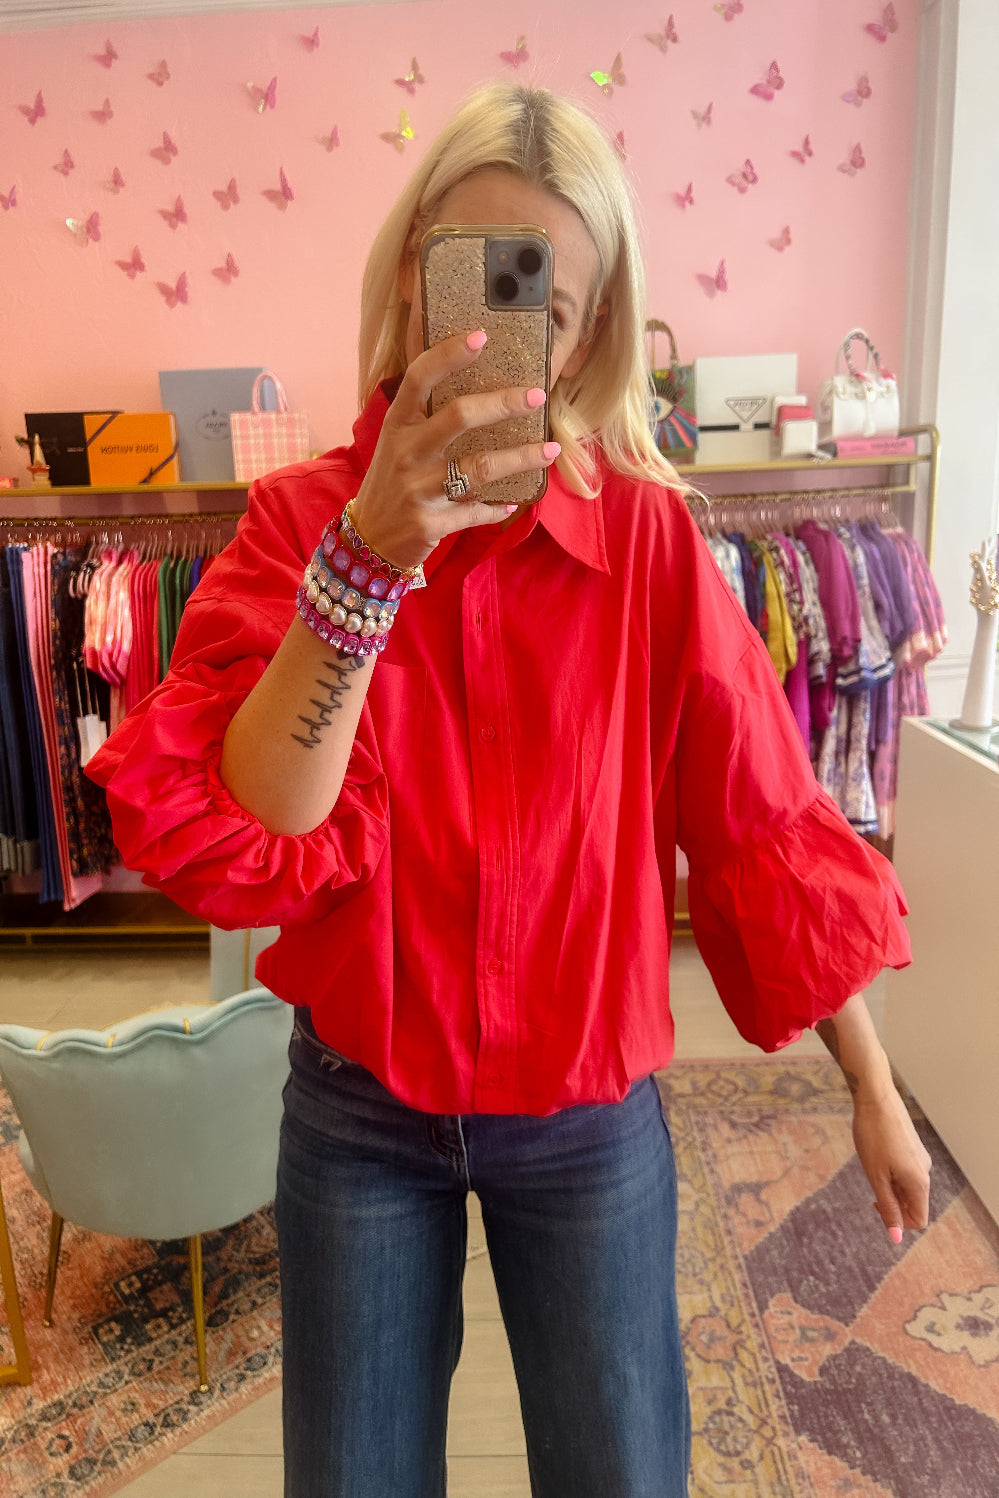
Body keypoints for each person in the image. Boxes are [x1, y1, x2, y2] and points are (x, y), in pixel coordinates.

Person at [87, 83, 932, 1498]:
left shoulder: (653, 546)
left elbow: (764, 819)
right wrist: (366, 564)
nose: (487, 324)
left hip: (587, 1117)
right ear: (413, 276)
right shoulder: (300, 526)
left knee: (621, 1475)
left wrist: (874, 1080)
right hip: (361, 1109)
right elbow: (255, 821)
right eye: (461, 269)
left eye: (536, 287)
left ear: (587, 328)